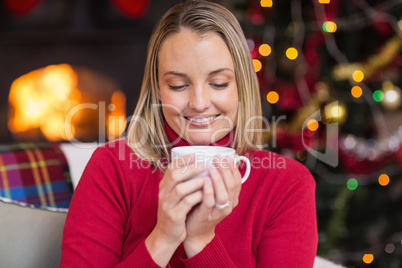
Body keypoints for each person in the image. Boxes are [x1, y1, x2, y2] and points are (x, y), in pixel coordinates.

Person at [60, 1, 318, 267]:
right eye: (178, 85)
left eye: (219, 83)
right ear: (158, 89)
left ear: (242, 85)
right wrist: (164, 238)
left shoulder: (287, 185)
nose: (198, 103)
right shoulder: (113, 167)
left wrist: (201, 240)